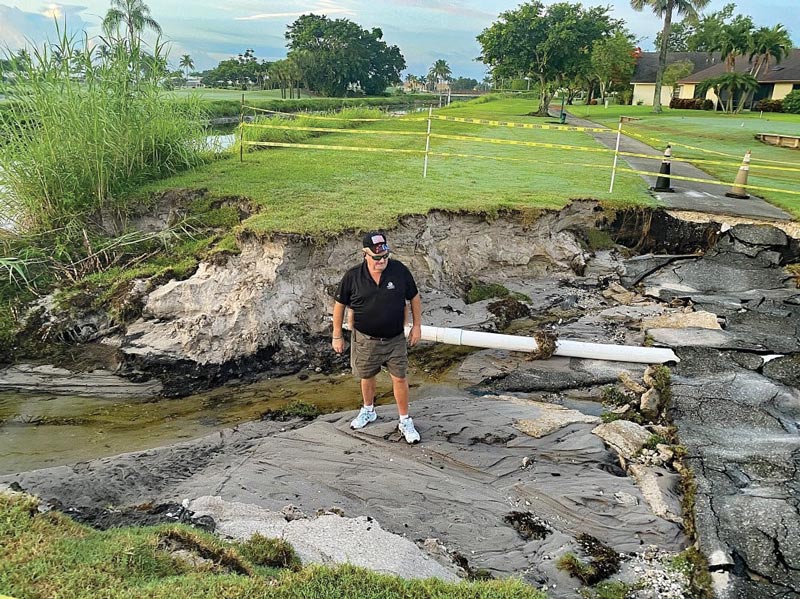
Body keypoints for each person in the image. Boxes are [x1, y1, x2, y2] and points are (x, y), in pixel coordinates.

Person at [332, 231, 423, 444]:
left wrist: (417, 326)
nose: (381, 261)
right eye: (376, 257)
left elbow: (414, 297)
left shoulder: (399, 271)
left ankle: (404, 419)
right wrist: (337, 335)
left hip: (395, 339)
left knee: (400, 377)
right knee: (367, 374)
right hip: (365, 338)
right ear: (365, 254)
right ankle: (368, 409)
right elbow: (339, 305)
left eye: (384, 256)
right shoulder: (352, 276)